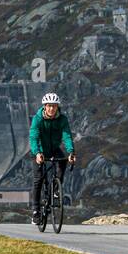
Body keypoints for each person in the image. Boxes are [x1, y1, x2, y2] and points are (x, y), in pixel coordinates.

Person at [30, 92, 76, 225]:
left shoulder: (62, 119)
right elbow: (33, 137)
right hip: (38, 150)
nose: (51, 109)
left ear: (57, 107)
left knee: (63, 162)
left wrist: (71, 152)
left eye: (54, 106)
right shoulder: (38, 119)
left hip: (54, 149)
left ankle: (56, 190)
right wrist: (37, 153)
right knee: (38, 179)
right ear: (45, 106)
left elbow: (67, 136)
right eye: (49, 106)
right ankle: (35, 212)